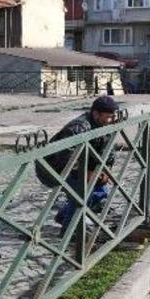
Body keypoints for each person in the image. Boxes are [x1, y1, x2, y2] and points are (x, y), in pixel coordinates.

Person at [36, 96, 120, 232]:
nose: (112, 120)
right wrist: (85, 173)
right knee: (81, 194)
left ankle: (64, 215)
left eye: (113, 116)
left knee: (100, 192)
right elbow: (66, 156)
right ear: (96, 114)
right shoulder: (78, 127)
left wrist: (106, 170)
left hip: (81, 167)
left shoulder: (105, 125)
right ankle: (70, 231)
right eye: (109, 117)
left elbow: (109, 151)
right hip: (53, 168)